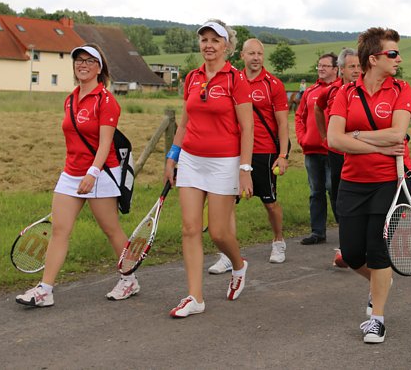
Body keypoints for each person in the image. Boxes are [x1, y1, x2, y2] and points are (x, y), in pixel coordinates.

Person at [16, 44, 139, 307]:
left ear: (99, 67)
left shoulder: (106, 101)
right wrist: (73, 171)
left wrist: (92, 173)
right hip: (71, 173)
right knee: (60, 230)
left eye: (89, 61)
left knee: (111, 229)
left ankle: (129, 279)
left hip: (101, 173)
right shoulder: (71, 98)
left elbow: (105, 143)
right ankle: (45, 290)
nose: (82, 65)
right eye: (78, 61)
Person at [326, 27, 411, 344]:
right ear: (374, 58)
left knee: (377, 251)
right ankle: (381, 280)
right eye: (393, 53)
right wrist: (373, 143)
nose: (398, 59)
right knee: (350, 253)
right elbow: (334, 139)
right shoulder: (346, 93)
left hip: (388, 182)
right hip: (352, 181)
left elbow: (397, 135)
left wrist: (357, 136)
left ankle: (377, 319)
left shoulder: (401, 89)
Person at [164, 20, 254, 318]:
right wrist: (172, 156)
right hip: (190, 159)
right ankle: (195, 297)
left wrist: (245, 169)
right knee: (190, 228)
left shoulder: (235, 79)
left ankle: (238, 265)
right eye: (204, 39)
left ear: (227, 46)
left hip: (224, 162)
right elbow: (186, 122)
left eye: (215, 40)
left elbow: (247, 127)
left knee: (218, 232)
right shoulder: (191, 78)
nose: (209, 45)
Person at [208, 38, 290, 272]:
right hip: (234, 151)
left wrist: (282, 155)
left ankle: (278, 241)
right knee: (227, 203)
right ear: (241, 56)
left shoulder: (273, 84)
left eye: (259, 54)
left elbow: (283, 123)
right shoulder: (232, 80)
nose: (255, 58)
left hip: (264, 151)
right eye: (251, 53)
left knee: (270, 203)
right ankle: (227, 254)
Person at [314, 47, 362, 266]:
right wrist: (324, 136)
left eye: (360, 66)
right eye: (352, 66)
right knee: (338, 195)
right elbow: (317, 108)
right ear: (341, 69)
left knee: (359, 195)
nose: (357, 70)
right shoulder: (332, 91)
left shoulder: (366, 90)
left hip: (359, 152)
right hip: (336, 153)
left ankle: (362, 241)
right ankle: (346, 243)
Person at [295, 53, 338, 244]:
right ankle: (317, 232)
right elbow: (299, 117)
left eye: (325, 66)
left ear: (336, 69)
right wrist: (302, 138)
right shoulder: (310, 91)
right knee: (316, 191)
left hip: (335, 150)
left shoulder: (342, 90)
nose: (321, 69)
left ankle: (346, 229)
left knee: (334, 189)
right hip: (312, 149)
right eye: (319, 65)